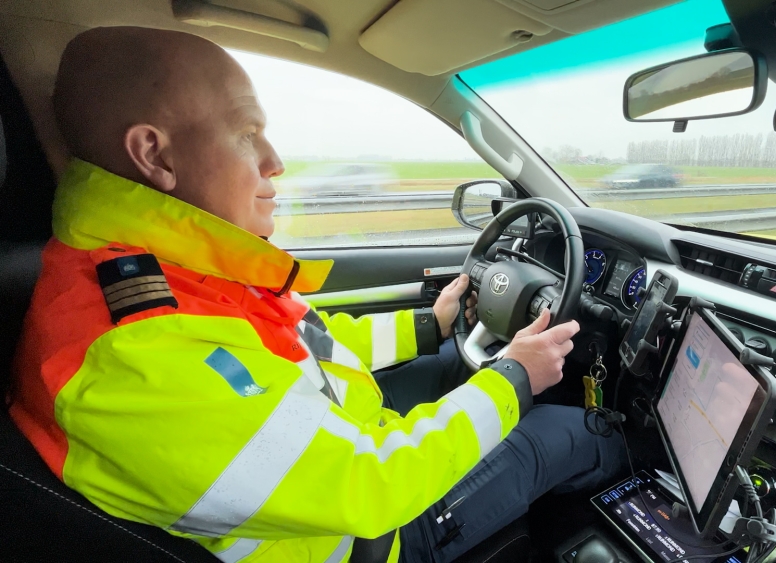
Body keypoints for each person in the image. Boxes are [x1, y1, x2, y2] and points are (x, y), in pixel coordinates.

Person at [9, 26, 625, 563]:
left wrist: (428, 326)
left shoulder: (155, 270)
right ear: (154, 155)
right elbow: (370, 482)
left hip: (328, 470)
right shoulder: (137, 358)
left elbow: (302, 343)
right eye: (248, 132)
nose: (274, 162)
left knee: (452, 368)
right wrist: (514, 376)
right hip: (366, 539)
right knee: (579, 432)